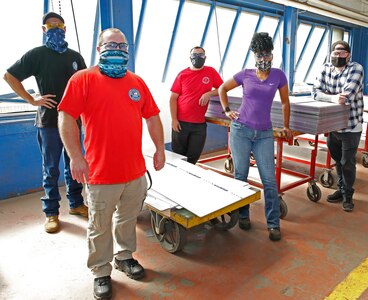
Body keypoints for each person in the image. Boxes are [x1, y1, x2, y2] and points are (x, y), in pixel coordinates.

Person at [58, 28, 165, 300]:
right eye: (110, 44)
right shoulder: (82, 79)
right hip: (99, 171)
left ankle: (124, 257)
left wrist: (160, 149)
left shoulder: (137, 82)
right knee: (99, 225)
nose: (117, 49)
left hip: (134, 172)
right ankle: (100, 271)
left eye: (122, 45)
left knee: (127, 219)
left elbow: (152, 117)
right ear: (98, 49)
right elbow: (66, 117)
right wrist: (75, 156)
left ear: (128, 50)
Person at [3, 12, 88, 233]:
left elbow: (86, 86)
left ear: (65, 28)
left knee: (75, 166)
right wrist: (32, 100)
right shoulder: (37, 55)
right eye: (50, 26)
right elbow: (9, 76)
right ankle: (51, 213)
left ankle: (77, 204)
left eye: (59, 25)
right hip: (49, 122)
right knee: (51, 169)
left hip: (73, 122)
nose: (55, 28)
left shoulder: (76, 57)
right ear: (43, 29)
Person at [218, 32, 292, 241]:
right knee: (240, 176)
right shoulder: (245, 74)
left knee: (269, 179)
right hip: (241, 130)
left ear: (271, 54)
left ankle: (273, 224)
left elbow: (285, 102)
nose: (263, 59)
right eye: (259, 55)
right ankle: (243, 215)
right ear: (254, 55)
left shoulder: (278, 75)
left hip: (264, 134)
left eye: (266, 54)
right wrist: (227, 110)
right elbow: (222, 88)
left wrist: (286, 126)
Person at [313, 40, 364, 212]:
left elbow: (347, 94)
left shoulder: (356, 69)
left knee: (347, 162)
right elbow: (315, 92)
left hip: (351, 125)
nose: (339, 55)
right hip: (332, 125)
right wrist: (333, 98)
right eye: (336, 52)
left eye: (343, 52)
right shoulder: (324, 68)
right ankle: (341, 190)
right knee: (338, 161)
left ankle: (348, 195)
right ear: (331, 53)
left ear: (348, 55)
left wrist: (327, 95)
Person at [170, 46, 223, 164]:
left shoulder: (211, 72)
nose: (198, 58)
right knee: (178, 157)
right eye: (195, 55)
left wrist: (209, 93)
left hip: (199, 124)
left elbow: (222, 89)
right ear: (190, 58)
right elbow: (173, 98)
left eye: (201, 55)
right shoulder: (182, 75)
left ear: (205, 57)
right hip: (181, 123)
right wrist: (174, 119)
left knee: (194, 156)